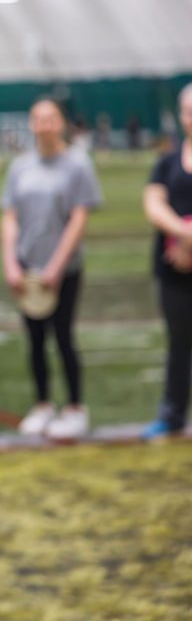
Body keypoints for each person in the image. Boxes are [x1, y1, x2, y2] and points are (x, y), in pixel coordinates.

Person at [0, 98, 103, 440]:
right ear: (30, 124)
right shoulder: (20, 167)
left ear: (61, 123)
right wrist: (11, 263)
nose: (44, 124)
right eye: (38, 119)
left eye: (50, 118)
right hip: (28, 268)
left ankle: (75, 407)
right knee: (34, 341)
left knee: (63, 338)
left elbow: (79, 218)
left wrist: (57, 266)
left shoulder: (77, 165)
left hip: (64, 269)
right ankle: (43, 404)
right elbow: (10, 217)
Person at [142, 83, 192, 440]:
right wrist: (184, 236)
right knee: (179, 343)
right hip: (174, 270)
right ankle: (173, 414)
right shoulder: (167, 161)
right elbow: (153, 203)